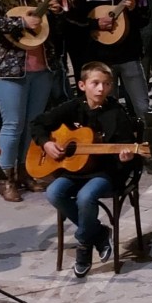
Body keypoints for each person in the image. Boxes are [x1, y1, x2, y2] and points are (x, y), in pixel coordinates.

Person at [33, 62, 140, 278]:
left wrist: (126, 157)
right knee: (53, 192)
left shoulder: (117, 113)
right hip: (73, 170)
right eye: (96, 83)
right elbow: (37, 123)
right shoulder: (72, 107)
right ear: (82, 85)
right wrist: (46, 143)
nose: (101, 89)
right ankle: (99, 233)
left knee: (85, 197)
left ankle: (84, 246)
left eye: (107, 84)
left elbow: (128, 145)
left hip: (106, 172)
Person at [0, 0, 62, 202]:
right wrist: (20, 22)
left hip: (40, 69)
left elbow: (48, 31)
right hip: (8, 72)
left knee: (32, 123)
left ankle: (26, 172)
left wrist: (55, 13)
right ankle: (5, 178)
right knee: (13, 124)